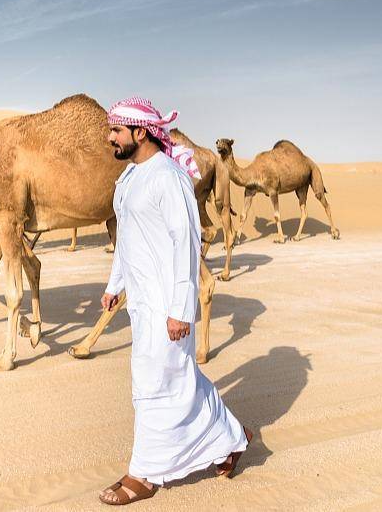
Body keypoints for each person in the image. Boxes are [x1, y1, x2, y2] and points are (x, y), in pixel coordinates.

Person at [97, 97, 252, 506]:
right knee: (177, 378)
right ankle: (231, 438)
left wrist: (182, 310)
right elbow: (126, 238)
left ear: (141, 133)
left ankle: (144, 473)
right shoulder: (129, 178)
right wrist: (115, 285)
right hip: (143, 302)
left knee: (155, 384)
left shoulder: (168, 178)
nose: (110, 136)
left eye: (117, 130)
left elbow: (188, 244)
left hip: (168, 304)